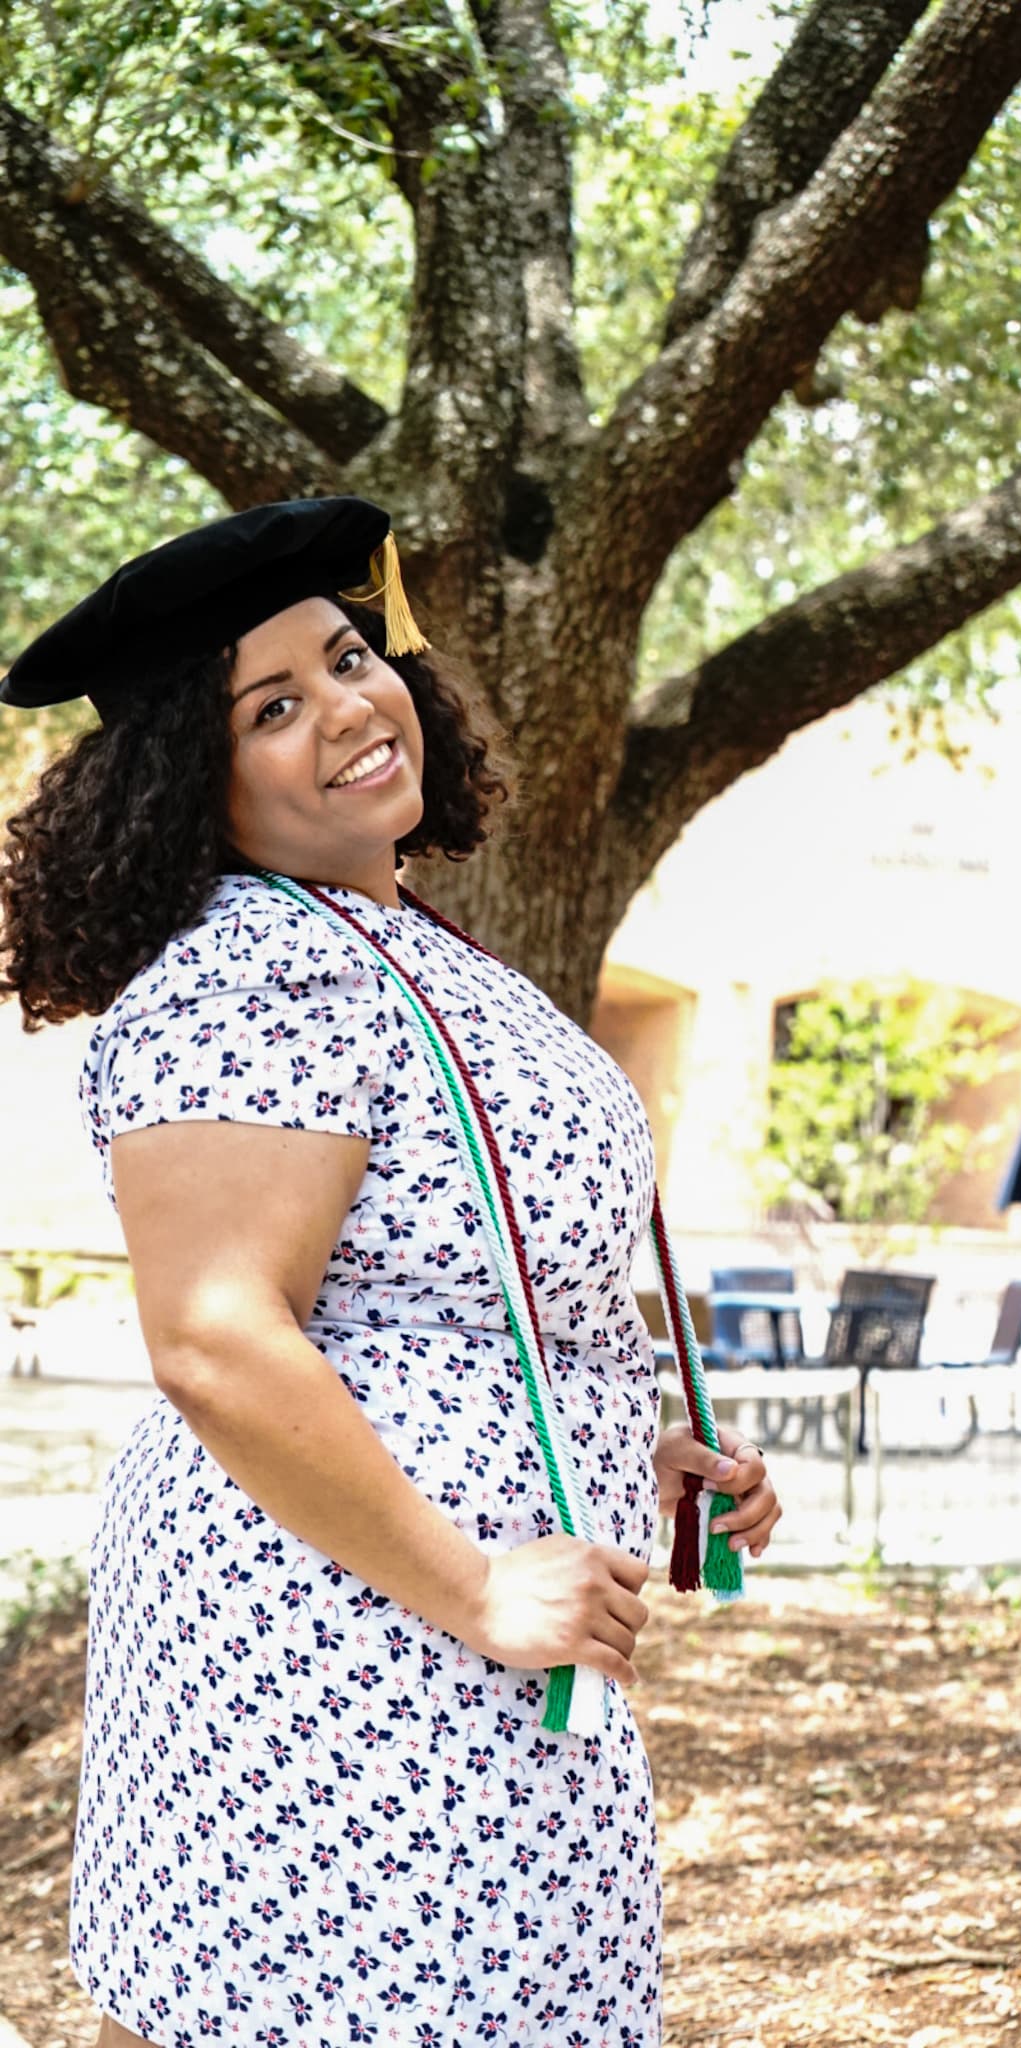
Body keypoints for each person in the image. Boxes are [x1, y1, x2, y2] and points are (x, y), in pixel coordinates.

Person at [0, 497, 782, 2048]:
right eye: (271, 707)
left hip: (473, 1634)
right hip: (345, 1646)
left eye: (350, 659)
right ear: (193, 775)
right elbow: (216, 1337)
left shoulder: (401, 938)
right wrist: (478, 1581)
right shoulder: (251, 974)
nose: (350, 708)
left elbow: (450, 1297)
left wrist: (629, 1455)